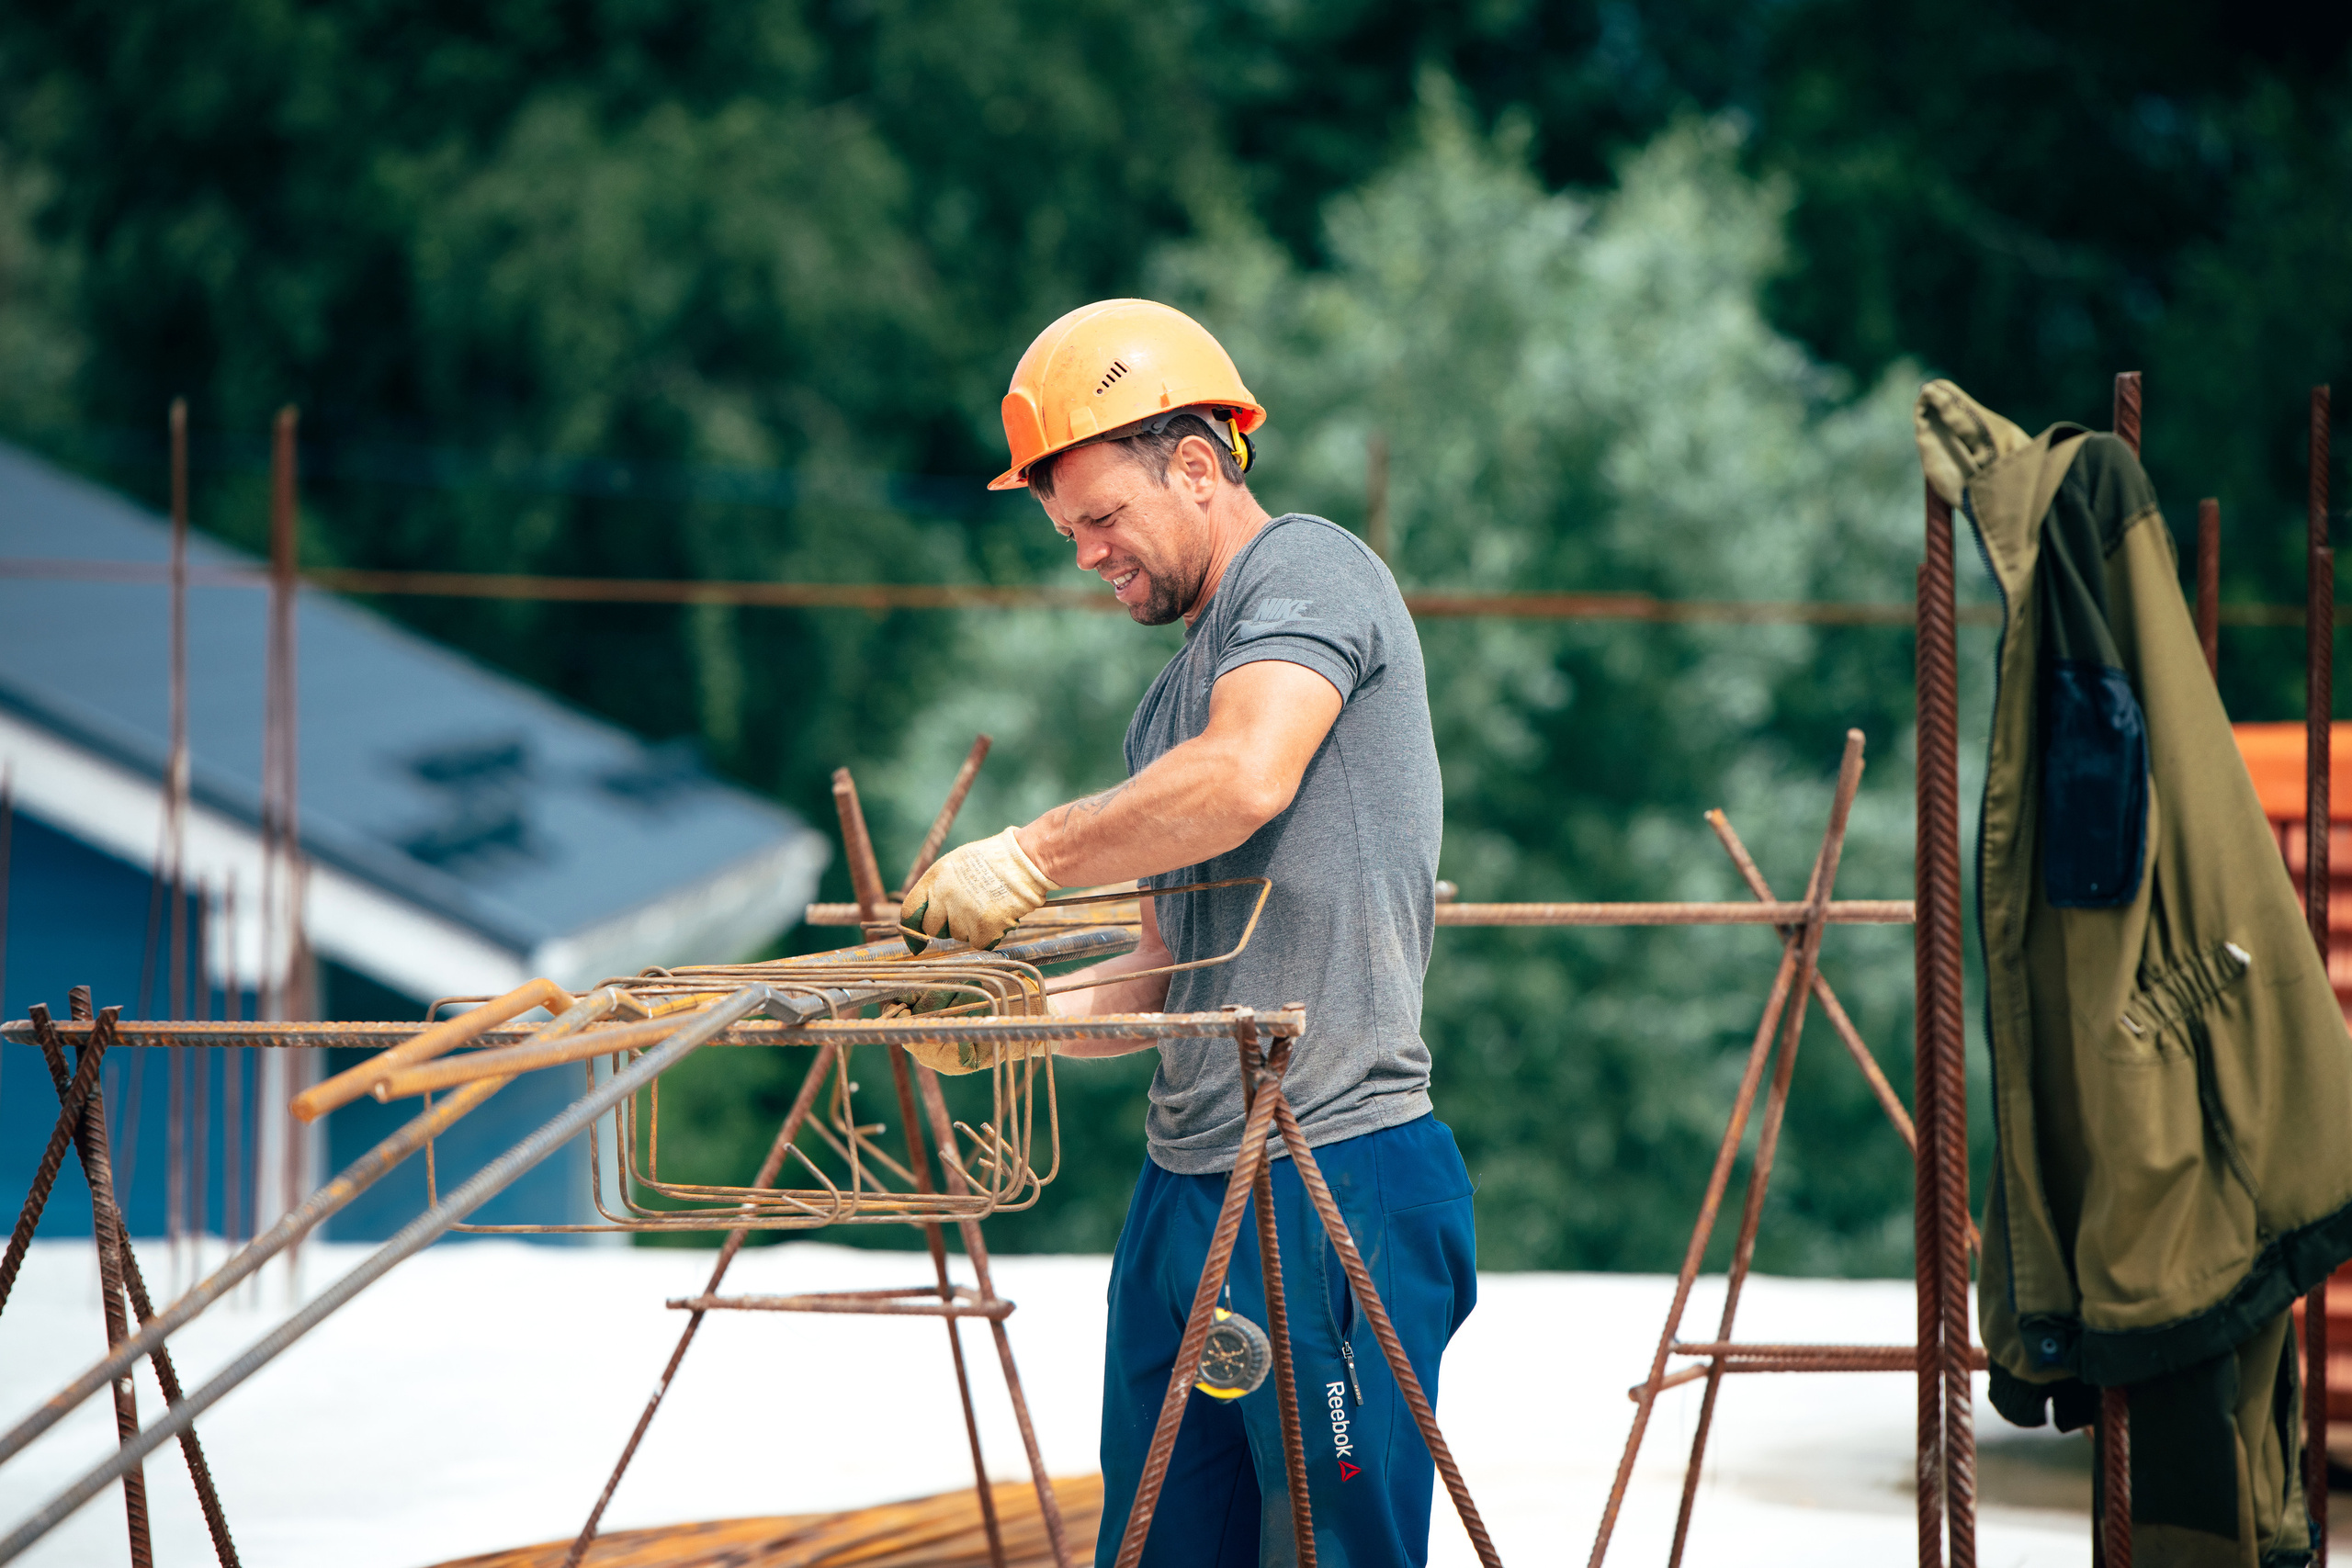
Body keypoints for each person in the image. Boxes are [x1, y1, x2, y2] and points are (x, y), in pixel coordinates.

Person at [901, 299, 1475, 1568]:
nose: (1087, 553)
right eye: (1067, 532)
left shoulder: (1313, 572)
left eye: (1102, 518)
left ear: (1201, 466)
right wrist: (1010, 1030)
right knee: (1159, 1549)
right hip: (1186, 1188)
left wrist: (1032, 854)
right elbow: (1165, 969)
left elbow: (1251, 774)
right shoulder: (1173, 702)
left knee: (1339, 1553)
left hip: (1334, 1175)